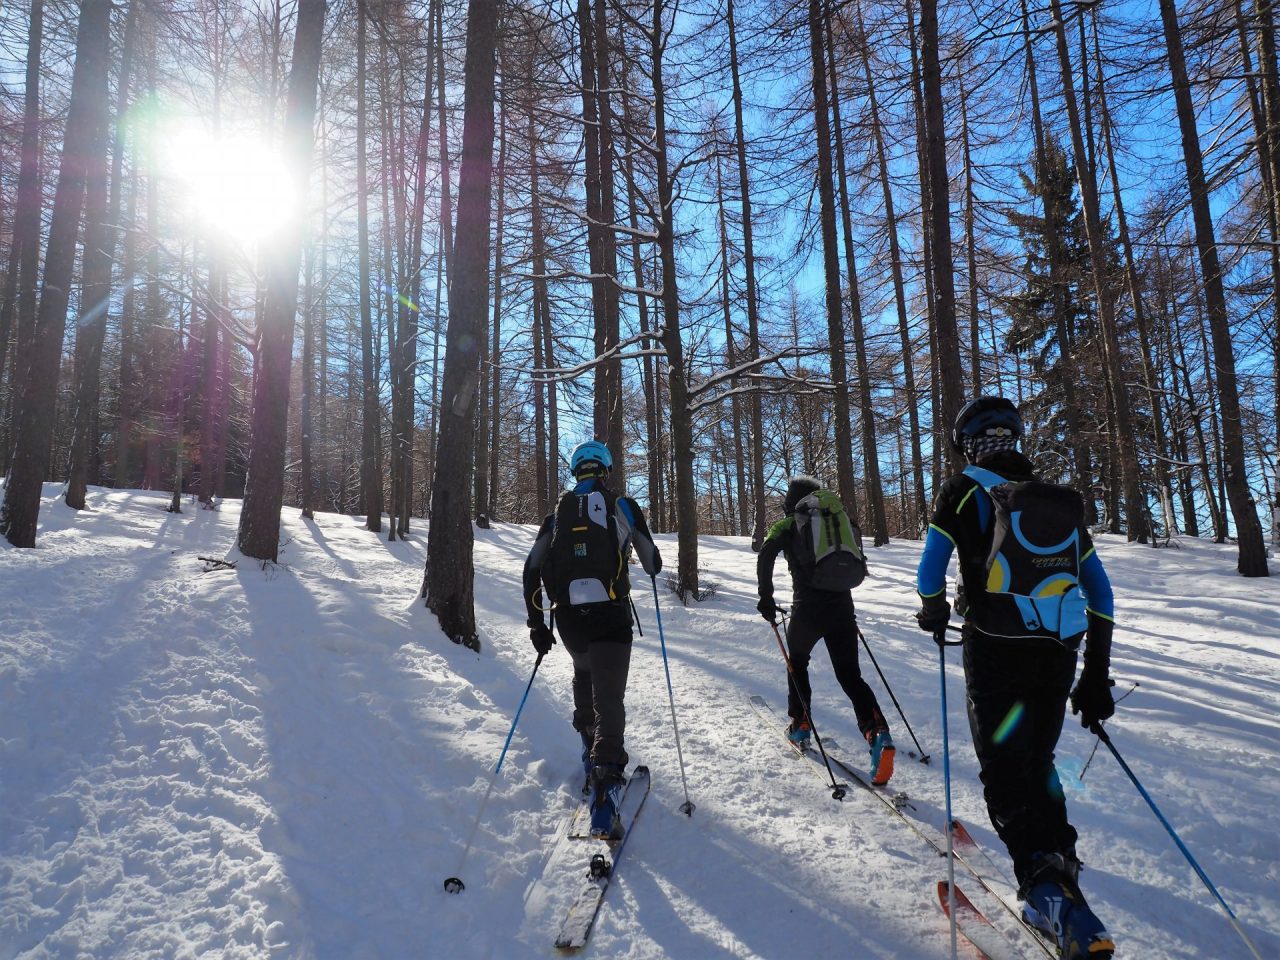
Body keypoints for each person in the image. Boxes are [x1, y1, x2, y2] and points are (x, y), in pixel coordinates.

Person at [914, 396, 1117, 960]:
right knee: (1039, 761)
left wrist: (933, 609)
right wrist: (1096, 674)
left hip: (995, 649)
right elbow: (1100, 591)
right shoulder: (1052, 500)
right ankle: (1059, 860)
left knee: (1005, 772)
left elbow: (929, 571)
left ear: (967, 444)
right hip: (1057, 653)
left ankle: (1047, 892)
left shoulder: (961, 490)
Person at [522, 439, 661, 840]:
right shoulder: (622, 505)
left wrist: (537, 625)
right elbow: (652, 563)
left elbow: (531, 569)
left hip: (569, 621)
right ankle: (606, 786)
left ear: (576, 470)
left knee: (584, 673)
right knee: (610, 698)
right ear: (605, 469)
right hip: (610, 616)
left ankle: (589, 752)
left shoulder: (556, 516)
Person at [756, 475, 895, 786]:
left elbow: (765, 554)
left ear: (792, 502)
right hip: (842, 610)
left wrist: (766, 597)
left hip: (807, 611)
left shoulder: (788, 524)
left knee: (797, 663)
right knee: (850, 675)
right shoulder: (839, 519)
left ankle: (801, 725)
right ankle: (878, 734)